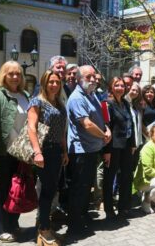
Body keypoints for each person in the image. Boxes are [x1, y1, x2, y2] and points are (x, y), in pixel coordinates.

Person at [0, 61, 29, 242]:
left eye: (18, 73)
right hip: (2, 151)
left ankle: (13, 224)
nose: (15, 77)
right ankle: (0, 229)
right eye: (11, 74)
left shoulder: (24, 94)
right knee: (3, 189)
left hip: (21, 150)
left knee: (17, 188)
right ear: (4, 75)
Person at [66, 65, 111, 234]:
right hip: (81, 151)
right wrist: (103, 136)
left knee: (85, 188)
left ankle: (82, 217)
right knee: (79, 188)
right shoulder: (77, 98)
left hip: (92, 148)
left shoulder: (92, 95)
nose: (92, 80)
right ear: (78, 78)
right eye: (88, 77)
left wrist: (107, 129)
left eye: (94, 76)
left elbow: (100, 118)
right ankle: (75, 225)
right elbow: (86, 124)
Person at [27, 70, 68, 244]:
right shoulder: (37, 102)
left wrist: (64, 151)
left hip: (56, 151)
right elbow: (31, 128)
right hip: (44, 151)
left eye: (57, 82)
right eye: (51, 82)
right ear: (44, 83)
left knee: (51, 191)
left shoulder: (59, 103)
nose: (54, 85)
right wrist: (37, 152)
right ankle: (43, 230)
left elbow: (61, 131)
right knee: (46, 191)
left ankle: (45, 226)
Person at [102, 77, 135, 219]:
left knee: (126, 177)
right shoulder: (106, 104)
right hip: (113, 147)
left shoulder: (126, 103)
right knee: (109, 178)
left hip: (126, 146)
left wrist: (133, 144)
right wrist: (107, 151)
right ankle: (109, 209)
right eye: (117, 85)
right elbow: (106, 128)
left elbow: (131, 124)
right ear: (111, 87)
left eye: (122, 85)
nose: (120, 88)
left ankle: (123, 207)